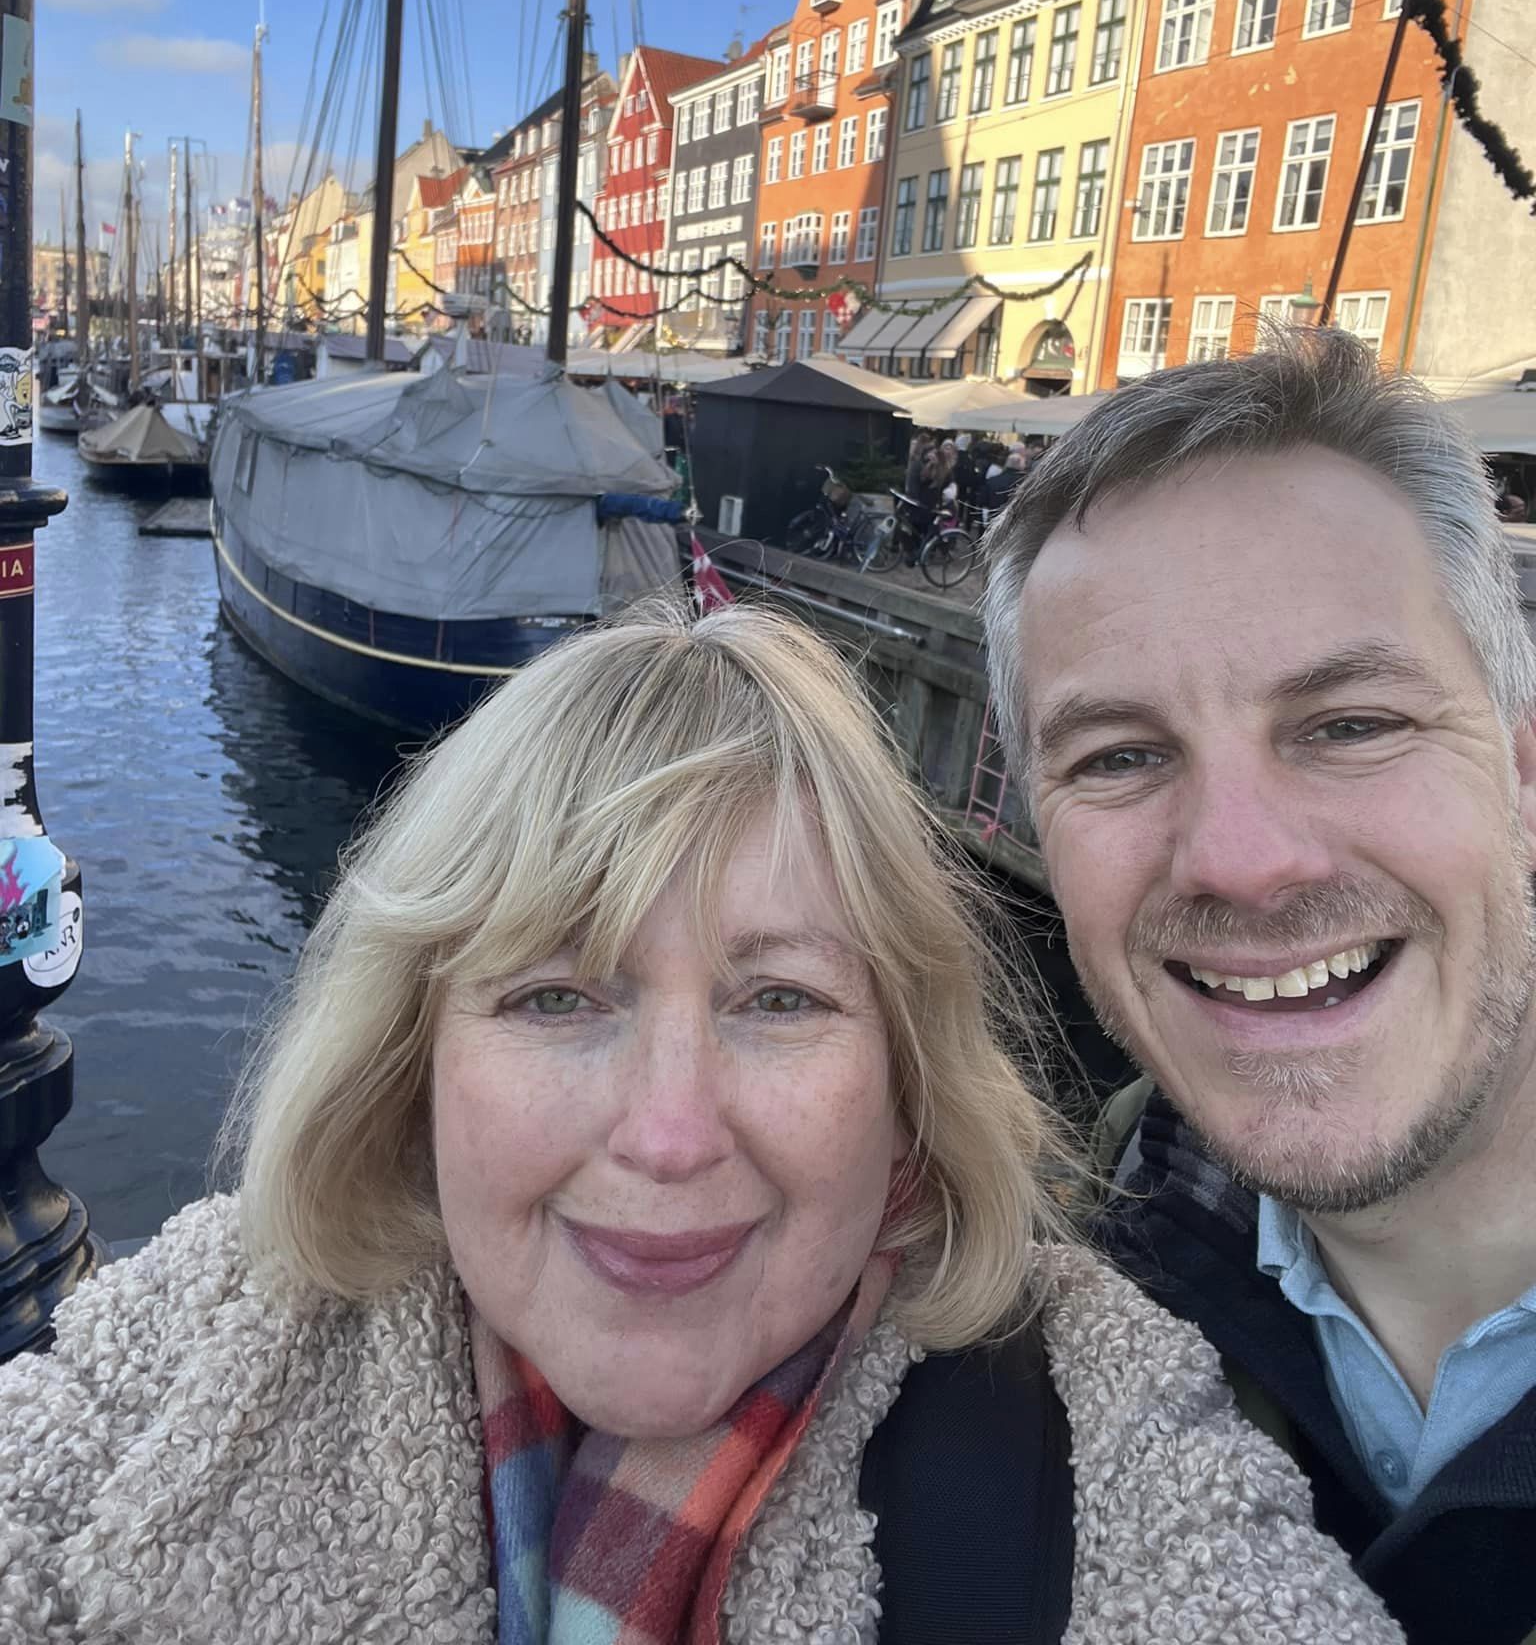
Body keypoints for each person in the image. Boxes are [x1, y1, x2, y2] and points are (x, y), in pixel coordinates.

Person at [0, 602, 1396, 1644]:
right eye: (556, 999)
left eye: (781, 1001)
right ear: (411, 1059)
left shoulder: (1110, 1452)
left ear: (907, 1090)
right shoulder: (194, 1357)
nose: (669, 1137)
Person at [981, 328, 1536, 1645]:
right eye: (1119, 757)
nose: (1240, 859)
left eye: (1349, 725)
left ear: (1523, 777)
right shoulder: (1056, 1289)